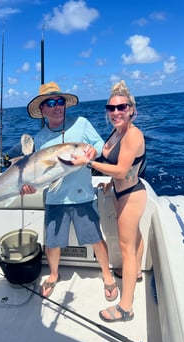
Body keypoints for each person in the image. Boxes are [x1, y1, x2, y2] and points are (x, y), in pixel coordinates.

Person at [21, 81, 118, 301]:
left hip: (83, 194)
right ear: (43, 110)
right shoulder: (40, 138)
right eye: (51, 102)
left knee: (96, 238)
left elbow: (100, 145)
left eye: (60, 101)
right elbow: (38, 174)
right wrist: (29, 186)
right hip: (55, 198)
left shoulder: (81, 123)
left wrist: (92, 151)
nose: (57, 106)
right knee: (53, 243)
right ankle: (54, 275)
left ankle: (107, 274)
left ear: (66, 104)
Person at [71, 80, 147, 323]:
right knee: (133, 239)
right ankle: (134, 274)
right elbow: (115, 165)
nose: (115, 112)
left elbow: (122, 170)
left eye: (121, 107)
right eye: (111, 108)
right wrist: (109, 184)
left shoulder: (133, 135)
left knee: (126, 247)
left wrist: (88, 163)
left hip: (132, 194)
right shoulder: (117, 132)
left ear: (131, 109)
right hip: (119, 191)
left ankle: (126, 308)